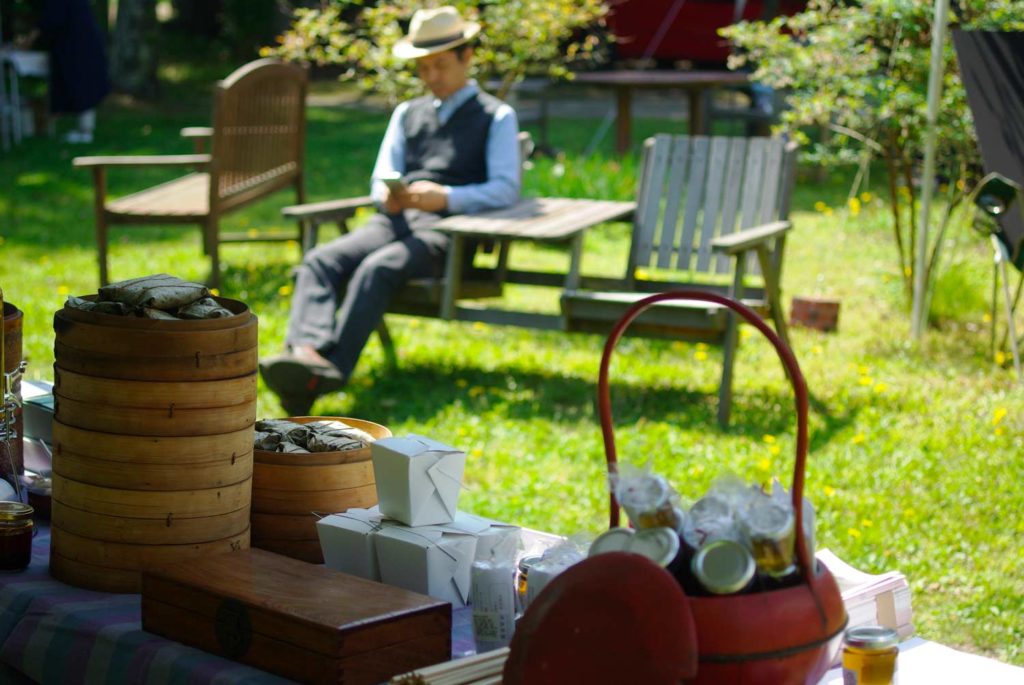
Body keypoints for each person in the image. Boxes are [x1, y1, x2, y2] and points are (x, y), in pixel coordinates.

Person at [260, 5, 521, 415]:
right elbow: (383, 172)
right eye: (423, 68)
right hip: (395, 220)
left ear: (466, 57)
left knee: (377, 269)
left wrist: (447, 198)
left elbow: (506, 188)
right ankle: (305, 351)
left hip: (449, 233)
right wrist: (387, 194)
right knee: (320, 260)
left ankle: (330, 369)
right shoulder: (407, 113)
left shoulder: (496, 117)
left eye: (439, 66)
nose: (431, 77)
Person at [21, 0, 111, 143]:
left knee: (82, 87)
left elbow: (51, 19)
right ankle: (82, 130)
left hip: (78, 47)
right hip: (80, 44)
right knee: (82, 86)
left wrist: (31, 39)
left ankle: (84, 131)